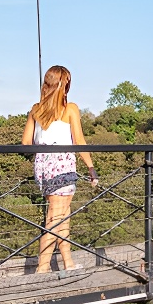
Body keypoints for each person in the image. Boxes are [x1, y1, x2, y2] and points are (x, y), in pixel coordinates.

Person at [22, 65, 98, 273]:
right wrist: (91, 168)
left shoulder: (35, 109)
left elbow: (26, 142)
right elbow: (79, 140)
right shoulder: (70, 108)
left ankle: (68, 263)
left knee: (62, 215)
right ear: (63, 85)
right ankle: (43, 268)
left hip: (43, 166)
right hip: (62, 164)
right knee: (55, 218)